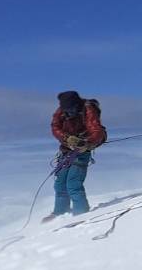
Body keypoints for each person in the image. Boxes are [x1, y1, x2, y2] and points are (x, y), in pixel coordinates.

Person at [45, 91, 106, 220]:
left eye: (71, 109)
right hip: (66, 151)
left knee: (73, 184)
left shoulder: (88, 109)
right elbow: (55, 127)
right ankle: (60, 213)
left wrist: (87, 143)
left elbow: (96, 130)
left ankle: (81, 214)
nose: (69, 112)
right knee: (60, 184)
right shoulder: (61, 111)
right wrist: (66, 138)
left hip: (83, 150)